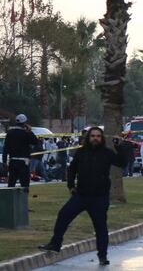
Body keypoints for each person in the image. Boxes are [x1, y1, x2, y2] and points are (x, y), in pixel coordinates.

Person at [38, 127, 127, 266]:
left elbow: (121, 163)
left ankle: (102, 256)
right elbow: (72, 169)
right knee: (63, 215)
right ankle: (55, 244)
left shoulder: (107, 153)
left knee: (100, 228)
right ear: (88, 137)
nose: (95, 138)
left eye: (98, 136)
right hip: (81, 195)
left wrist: (119, 147)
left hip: (99, 198)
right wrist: (70, 186)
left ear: (101, 138)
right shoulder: (81, 152)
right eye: (93, 136)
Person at [2, 114, 38, 188]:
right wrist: (30, 131)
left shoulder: (10, 133)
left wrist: (4, 161)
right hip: (23, 162)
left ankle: (10, 199)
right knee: (24, 185)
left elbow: (5, 148)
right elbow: (35, 141)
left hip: (12, 161)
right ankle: (23, 199)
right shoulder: (26, 133)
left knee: (11, 184)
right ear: (24, 123)